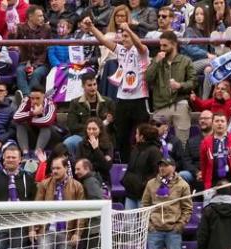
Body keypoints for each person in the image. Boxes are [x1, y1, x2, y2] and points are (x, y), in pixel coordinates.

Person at [82, 16, 150, 163]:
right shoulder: (121, 50)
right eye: (123, 36)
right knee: (122, 136)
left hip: (139, 99)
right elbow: (103, 41)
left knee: (141, 135)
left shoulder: (143, 51)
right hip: (122, 99)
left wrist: (128, 29)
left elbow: (139, 45)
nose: (123, 39)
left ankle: (141, 163)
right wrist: (92, 27)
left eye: (126, 36)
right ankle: (126, 164)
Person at [145, 30, 194, 143]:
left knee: (182, 142)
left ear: (174, 44)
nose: (161, 48)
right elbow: (147, 78)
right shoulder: (156, 61)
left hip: (180, 103)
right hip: (160, 106)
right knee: (155, 140)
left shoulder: (185, 61)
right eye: (160, 45)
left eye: (165, 45)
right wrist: (156, 62)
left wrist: (180, 85)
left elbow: (193, 82)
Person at [142, 157, 192, 249]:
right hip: (155, 229)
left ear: (173, 167)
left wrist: (179, 225)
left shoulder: (182, 185)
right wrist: (149, 225)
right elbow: (145, 205)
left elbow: (187, 208)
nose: (162, 168)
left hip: (173, 230)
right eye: (160, 165)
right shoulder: (151, 184)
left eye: (165, 165)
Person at [64, 75, 116, 158]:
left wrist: (111, 121)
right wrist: (91, 130)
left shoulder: (108, 102)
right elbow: (72, 125)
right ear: (83, 86)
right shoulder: (75, 103)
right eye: (89, 85)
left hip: (103, 135)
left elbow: (114, 125)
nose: (93, 88)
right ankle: (75, 164)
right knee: (68, 143)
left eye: (95, 84)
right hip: (82, 135)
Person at [200, 113, 231, 196]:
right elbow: (203, 165)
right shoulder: (205, 142)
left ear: (227, 124)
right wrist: (206, 184)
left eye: (222, 121)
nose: (219, 123)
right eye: (217, 121)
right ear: (212, 123)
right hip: (212, 186)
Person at [14, 6, 53, 98]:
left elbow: (46, 50)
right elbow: (12, 41)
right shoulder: (20, 28)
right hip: (25, 62)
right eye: (39, 16)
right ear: (30, 17)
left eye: (42, 16)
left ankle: (28, 98)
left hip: (42, 64)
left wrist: (34, 66)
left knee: (36, 73)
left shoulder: (46, 28)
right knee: (19, 71)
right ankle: (27, 97)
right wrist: (12, 32)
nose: (42, 18)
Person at [123, 123, 161, 209]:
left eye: (137, 133)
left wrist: (143, 185)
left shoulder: (154, 151)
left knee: (143, 218)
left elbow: (156, 173)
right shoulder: (135, 149)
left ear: (142, 137)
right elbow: (130, 168)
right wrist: (126, 180)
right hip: (130, 192)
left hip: (144, 194)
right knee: (128, 217)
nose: (135, 136)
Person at [13, 87, 57, 161]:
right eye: (32, 98)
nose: (34, 101)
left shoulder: (50, 103)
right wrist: (33, 113)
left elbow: (47, 121)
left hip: (50, 134)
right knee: (20, 124)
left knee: (46, 127)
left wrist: (29, 119)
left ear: (43, 96)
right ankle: (25, 154)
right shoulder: (27, 100)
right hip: (33, 132)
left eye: (38, 98)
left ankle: (37, 154)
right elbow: (15, 117)